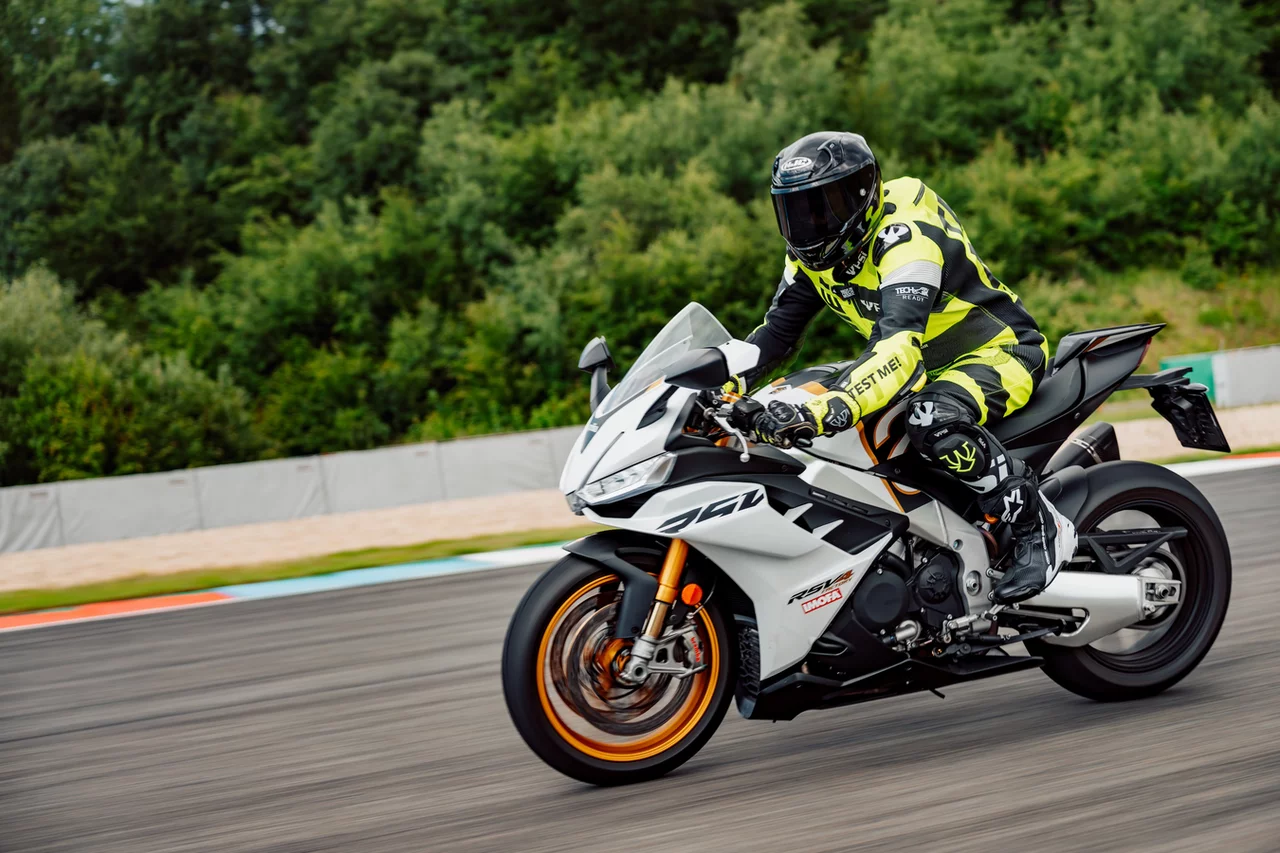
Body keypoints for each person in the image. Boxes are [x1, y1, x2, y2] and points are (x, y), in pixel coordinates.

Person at [728, 131, 1064, 604]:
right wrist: (713, 383)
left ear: (862, 195)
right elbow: (775, 337)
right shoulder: (808, 260)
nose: (809, 226)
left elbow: (899, 349)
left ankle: (1036, 525)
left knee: (928, 417)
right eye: (795, 211)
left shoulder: (907, 240)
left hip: (998, 352)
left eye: (823, 208)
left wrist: (828, 408)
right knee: (798, 395)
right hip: (924, 365)